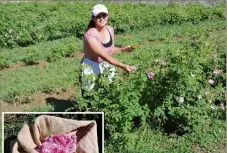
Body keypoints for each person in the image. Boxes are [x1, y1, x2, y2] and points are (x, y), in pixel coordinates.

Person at [80, 4, 135, 95]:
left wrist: (123, 50)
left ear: (107, 16)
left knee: (109, 91)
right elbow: (104, 55)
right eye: (98, 16)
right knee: (89, 94)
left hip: (106, 63)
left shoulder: (110, 30)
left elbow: (110, 50)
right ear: (93, 18)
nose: (102, 18)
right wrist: (124, 66)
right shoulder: (90, 35)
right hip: (90, 66)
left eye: (104, 15)